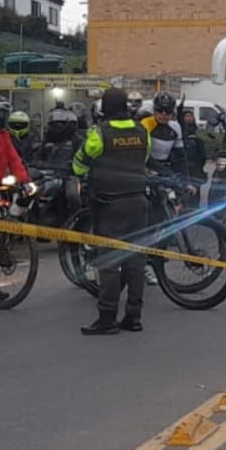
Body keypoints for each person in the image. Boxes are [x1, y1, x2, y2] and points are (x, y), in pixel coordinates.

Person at [72, 89, 151, 335]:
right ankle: (133, 316)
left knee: (108, 261)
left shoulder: (99, 133)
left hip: (109, 204)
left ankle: (107, 317)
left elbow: (80, 163)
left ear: (104, 108)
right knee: (136, 260)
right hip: (138, 201)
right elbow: (144, 159)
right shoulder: (141, 131)